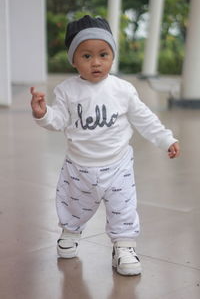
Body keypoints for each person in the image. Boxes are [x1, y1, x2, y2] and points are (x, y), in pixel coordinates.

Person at [30, 15, 180, 276]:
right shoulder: (67, 90)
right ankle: (70, 232)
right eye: (86, 56)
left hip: (117, 164)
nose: (96, 62)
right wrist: (43, 113)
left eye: (103, 54)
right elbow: (59, 121)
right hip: (79, 166)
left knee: (123, 206)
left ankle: (124, 246)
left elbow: (144, 118)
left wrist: (166, 138)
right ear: (73, 60)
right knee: (73, 203)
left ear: (112, 55)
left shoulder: (123, 89)